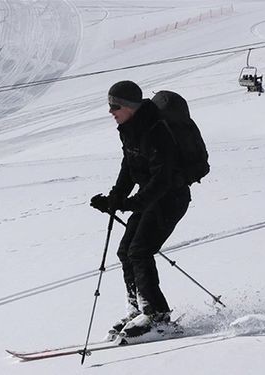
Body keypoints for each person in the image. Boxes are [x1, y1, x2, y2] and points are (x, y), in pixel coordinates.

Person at [90, 80, 191, 340]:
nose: (110, 111)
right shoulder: (130, 128)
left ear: (130, 106)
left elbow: (162, 179)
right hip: (151, 198)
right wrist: (115, 197)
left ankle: (157, 317)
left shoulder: (155, 131)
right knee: (125, 251)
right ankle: (138, 309)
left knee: (140, 251)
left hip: (170, 198)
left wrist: (131, 204)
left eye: (115, 106)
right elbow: (130, 166)